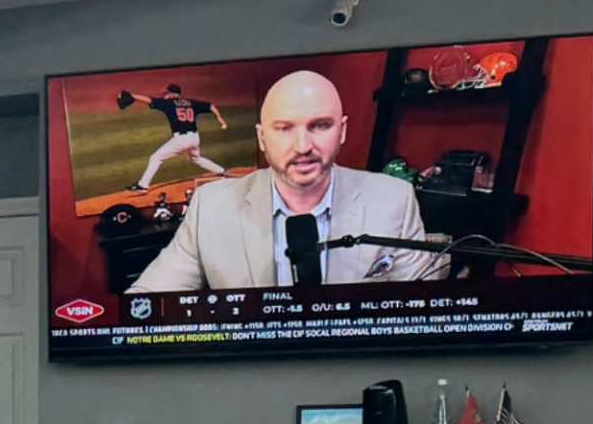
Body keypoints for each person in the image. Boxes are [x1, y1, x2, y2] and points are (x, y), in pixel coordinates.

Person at [121, 68, 450, 293]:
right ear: (262, 138)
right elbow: (145, 304)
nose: (303, 146)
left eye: (319, 125)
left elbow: (420, 309)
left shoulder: (394, 199)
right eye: (284, 128)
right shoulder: (211, 208)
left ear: (343, 131)